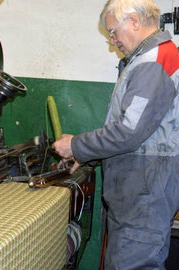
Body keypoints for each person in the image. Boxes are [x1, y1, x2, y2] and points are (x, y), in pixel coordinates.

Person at [52, 0, 179, 269]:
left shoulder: (154, 61)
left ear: (134, 22)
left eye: (113, 32)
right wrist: (89, 156)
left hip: (145, 189)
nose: (112, 41)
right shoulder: (147, 60)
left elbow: (128, 132)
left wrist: (77, 145)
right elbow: (138, 131)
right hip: (141, 184)